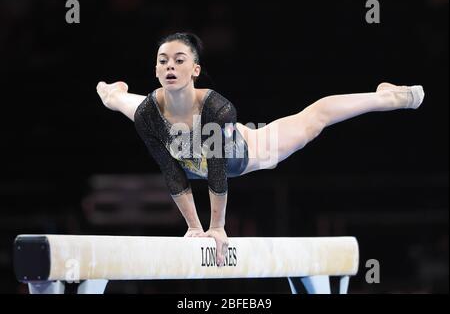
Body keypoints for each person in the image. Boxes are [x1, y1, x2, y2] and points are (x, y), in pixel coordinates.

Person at [96, 32, 424, 266]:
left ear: (195, 70)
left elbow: (219, 170)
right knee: (119, 102)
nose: (170, 66)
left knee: (316, 117)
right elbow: (171, 172)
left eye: (180, 60)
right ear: (155, 69)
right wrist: (193, 228)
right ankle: (111, 92)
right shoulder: (148, 114)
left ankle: (392, 97)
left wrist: (217, 228)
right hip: (189, 146)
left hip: (248, 149)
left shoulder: (217, 107)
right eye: (163, 60)